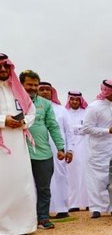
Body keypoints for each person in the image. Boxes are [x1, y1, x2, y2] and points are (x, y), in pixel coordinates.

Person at [21, 71, 65, 230]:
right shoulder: (14, 101)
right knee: (21, 188)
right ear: (22, 85)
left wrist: (60, 147)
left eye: (35, 85)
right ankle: (23, 220)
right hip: (20, 153)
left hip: (42, 153)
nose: (33, 87)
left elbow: (53, 126)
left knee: (43, 188)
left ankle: (43, 218)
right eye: (29, 84)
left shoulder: (45, 104)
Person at [0, 53, 38, 235]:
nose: (3, 70)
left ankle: (22, 226)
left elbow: (31, 111)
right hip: (1, 144)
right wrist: (3, 120)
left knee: (20, 183)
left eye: (6, 66)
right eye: (0, 66)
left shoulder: (16, 89)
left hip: (18, 144)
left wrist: (23, 122)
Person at [82, 79, 112, 218]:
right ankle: (96, 208)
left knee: (110, 177)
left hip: (110, 147)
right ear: (110, 92)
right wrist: (107, 131)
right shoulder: (94, 107)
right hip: (97, 149)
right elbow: (86, 128)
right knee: (96, 179)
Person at [38, 82, 74, 219]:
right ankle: (42, 211)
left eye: (48, 89)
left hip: (59, 150)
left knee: (60, 177)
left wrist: (70, 150)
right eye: (42, 89)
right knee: (41, 180)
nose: (46, 92)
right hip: (39, 149)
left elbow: (69, 132)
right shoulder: (31, 107)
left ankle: (62, 208)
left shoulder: (61, 110)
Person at [65, 91, 89, 211]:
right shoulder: (66, 112)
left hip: (84, 146)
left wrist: (77, 129)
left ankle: (87, 202)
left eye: (77, 99)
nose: (74, 101)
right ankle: (72, 204)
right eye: (72, 99)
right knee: (71, 175)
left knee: (85, 174)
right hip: (70, 147)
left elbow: (89, 128)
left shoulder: (86, 112)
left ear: (80, 101)